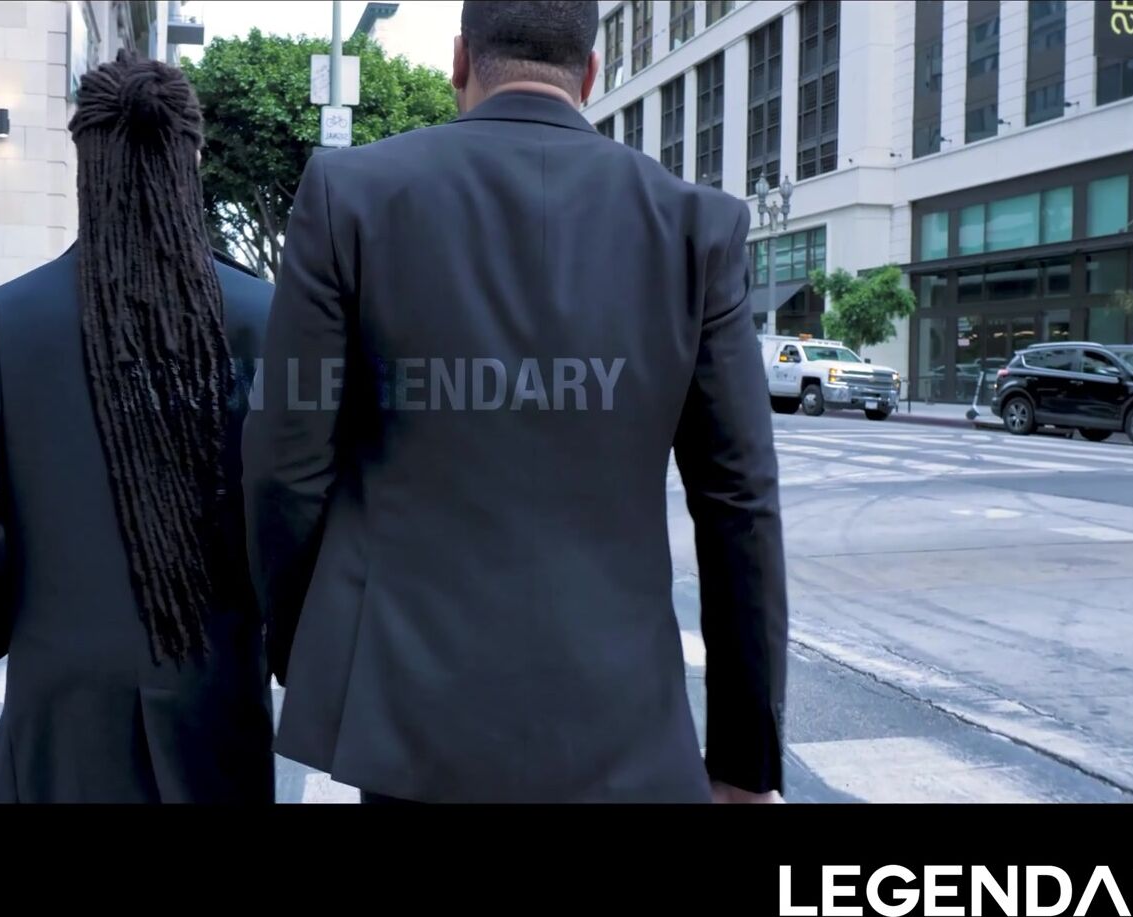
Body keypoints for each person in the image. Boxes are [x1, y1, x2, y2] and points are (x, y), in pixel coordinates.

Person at [243, 1, 788, 803]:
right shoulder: (695, 226)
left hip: (409, 714)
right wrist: (743, 760)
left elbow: (284, 467)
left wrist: (316, 655)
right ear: (590, 73)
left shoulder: (347, 194)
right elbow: (739, 500)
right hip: (621, 722)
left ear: (459, 60)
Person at [0, 55, 274, 803]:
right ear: (193, 160)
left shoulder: (2, 325)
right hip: (216, 708)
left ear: (84, 165)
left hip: (60, 713)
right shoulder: (264, 321)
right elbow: (302, 511)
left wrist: (6, 628)